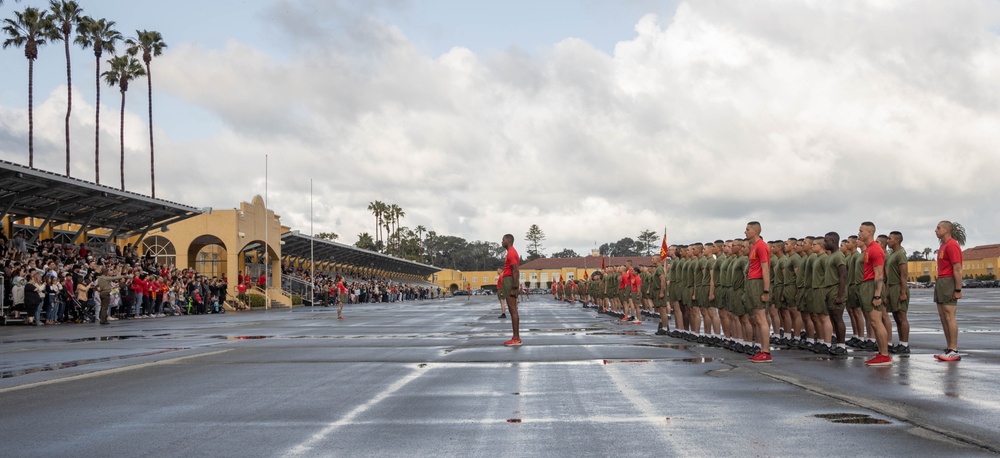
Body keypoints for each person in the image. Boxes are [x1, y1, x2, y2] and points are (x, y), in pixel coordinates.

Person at [858, 222, 891, 366]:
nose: (859, 233)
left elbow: (879, 274)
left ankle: (884, 355)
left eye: (861, 231)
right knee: (872, 322)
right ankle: (881, 352)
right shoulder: (869, 249)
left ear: (870, 232)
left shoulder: (875, 250)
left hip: (873, 285)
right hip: (867, 284)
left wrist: (877, 295)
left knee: (877, 321)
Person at [934, 221, 965, 362]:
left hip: (948, 281)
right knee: (942, 316)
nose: (936, 230)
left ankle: (954, 349)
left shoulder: (952, 245)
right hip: (941, 281)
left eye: (938, 228)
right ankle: (949, 348)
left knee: (949, 316)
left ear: (947, 230)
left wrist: (958, 289)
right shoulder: (943, 246)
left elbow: (957, 268)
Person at [745, 222, 772, 363]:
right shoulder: (754, 246)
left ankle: (766, 351)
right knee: (756, 317)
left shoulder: (761, 246)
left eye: (748, 229)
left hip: (758, 282)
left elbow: (765, 269)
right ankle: (762, 349)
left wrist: (766, 291)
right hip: (751, 282)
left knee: (761, 318)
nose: (745, 232)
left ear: (755, 231)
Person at [886, 231, 911, 354]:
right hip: (892, 288)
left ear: (897, 240)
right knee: (896, 317)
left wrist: (903, 292)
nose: (888, 241)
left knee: (902, 316)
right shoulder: (893, 254)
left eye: (890, 239)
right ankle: (901, 343)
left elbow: (904, 274)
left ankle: (905, 345)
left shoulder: (900, 254)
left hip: (898, 287)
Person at [500, 234, 521, 346]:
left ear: (508, 240)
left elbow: (515, 271)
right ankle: (515, 337)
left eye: (503, 240)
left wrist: (513, 287)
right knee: (512, 310)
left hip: (510, 281)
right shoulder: (510, 252)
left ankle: (516, 338)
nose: (501, 242)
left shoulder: (512, 253)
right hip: (508, 280)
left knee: (513, 310)